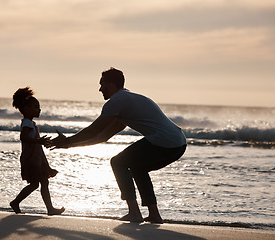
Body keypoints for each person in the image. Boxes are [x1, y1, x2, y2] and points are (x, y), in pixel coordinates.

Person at [51, 68, 186, 223]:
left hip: (165, 140)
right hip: (179, 143)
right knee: (138, 167)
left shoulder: (116, 101)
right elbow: (103, 136)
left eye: (103, 85)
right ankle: (154, 215)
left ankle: (134, 213)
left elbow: (92, 131)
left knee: (118, 162)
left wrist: (68, 141)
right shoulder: (127, 101)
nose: (100, 89)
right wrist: (68, 145)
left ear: (112, 84)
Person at [10, 87, 65, 215]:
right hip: (31, 160)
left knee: (44, 182)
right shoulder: (27, 124)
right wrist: (38, 141)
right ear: (26, 108)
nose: (39, 109)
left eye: (39, 107)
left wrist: (42, 142)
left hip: (36, 158)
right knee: (36, 184)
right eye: (36, 107)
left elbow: (32, 140)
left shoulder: (30, 123)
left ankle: (50, 209)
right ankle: (16, 202)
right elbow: (23, 138)